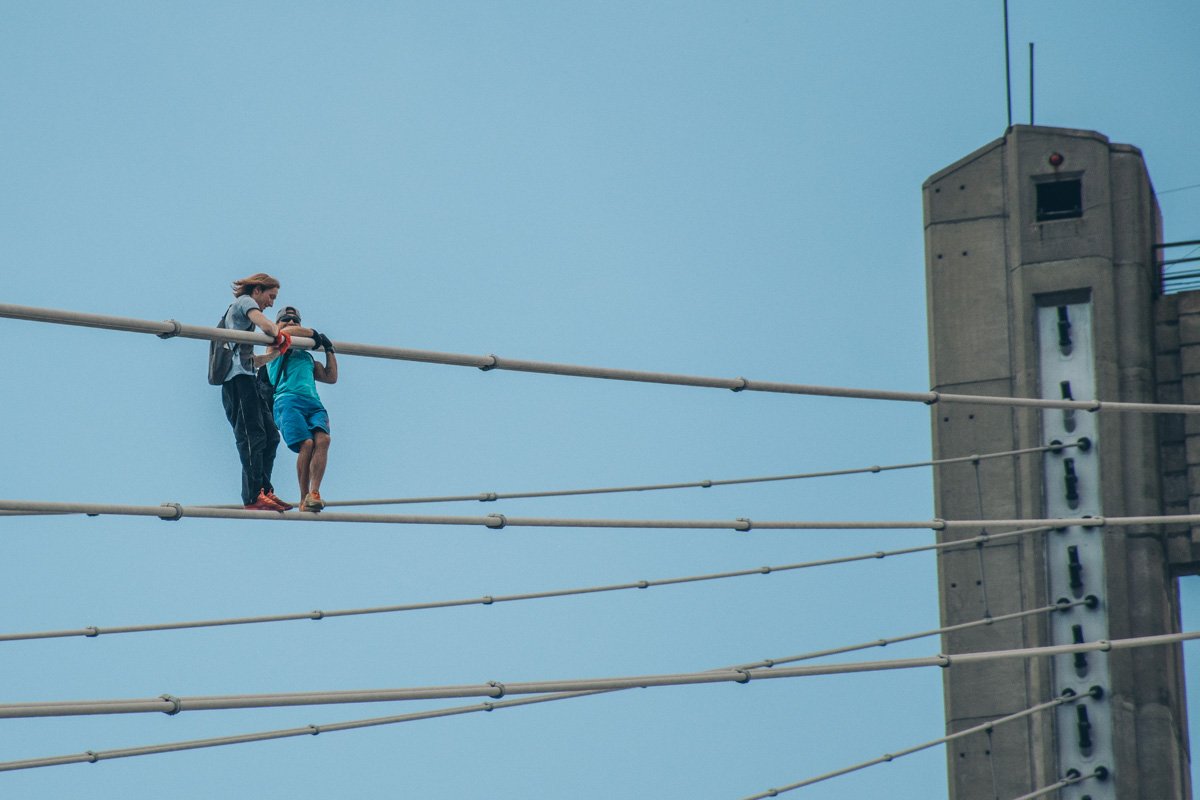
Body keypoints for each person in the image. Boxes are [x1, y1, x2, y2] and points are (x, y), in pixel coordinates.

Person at [220, 273, 294, 511]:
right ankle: (252, 496)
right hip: (236, 383)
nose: (271, 303)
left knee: (271, 436)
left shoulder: (244, 328)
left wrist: (275, 353)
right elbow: (267, 326)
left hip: (248, 378)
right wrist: (278, 334)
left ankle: (265, 490)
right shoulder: (244, 303)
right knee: (252, 436)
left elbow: (251, 361)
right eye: (271, 296)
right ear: (257, 291)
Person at [264, 305, 338, 512]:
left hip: (312, 402)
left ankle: (315, 492)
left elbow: (330, 377)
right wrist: (315, 335)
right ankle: (303, 497)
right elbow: (284, 333)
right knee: (306, 444)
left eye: (295, 321)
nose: (291, 323)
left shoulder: (306, 357)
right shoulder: (274, 346)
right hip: (287, 400)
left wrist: (329, 349)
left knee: (323, 440)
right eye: (285, 319)